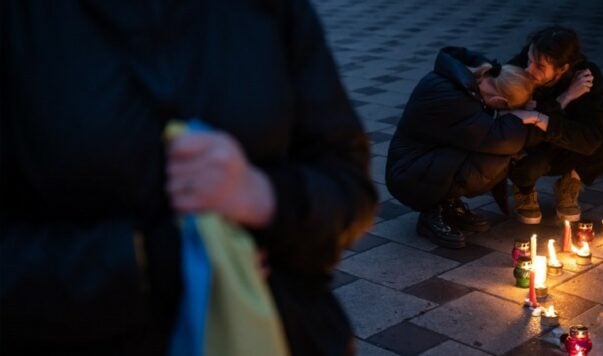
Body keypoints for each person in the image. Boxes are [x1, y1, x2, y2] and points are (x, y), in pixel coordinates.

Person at [0, 0, 377, 354]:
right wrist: (147, 261)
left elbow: (348, 180)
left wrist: (265, 196)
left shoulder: (271, 9)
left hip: (278, 331)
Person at [386, 47, 539, 249]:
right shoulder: (457, 98)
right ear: (499, 101)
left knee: (488, 152)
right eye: (505, 109)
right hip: (408, 175)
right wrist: (523, 118)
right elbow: (504, 140)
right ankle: (432, 210)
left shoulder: (467, 81)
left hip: (423, 161)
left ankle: (447, 203)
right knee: (496, 158)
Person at [507, 26, 603, 224]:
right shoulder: (518, 69)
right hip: (531, 148)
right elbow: (517, 127)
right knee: (525, 159)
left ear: (562, 69)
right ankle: (524, 189)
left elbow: (590, 139)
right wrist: (565, 98)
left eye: (540, 67)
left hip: (565, 145)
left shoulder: (586, 76)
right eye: (529, 60)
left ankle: (570, 183)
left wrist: (541, 115)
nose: (529, 69)